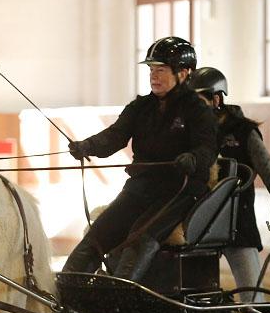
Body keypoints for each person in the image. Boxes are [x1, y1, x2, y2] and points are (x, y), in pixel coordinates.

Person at [62, 36, 217, 282]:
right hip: (139, 188)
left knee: (140, 236)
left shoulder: (198, 110)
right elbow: (114, 136)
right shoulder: (140, 107)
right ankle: (65, 291)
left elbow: (207, 149)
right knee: (98, 233)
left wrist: (194, 159)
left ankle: (120, 298)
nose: (153, 76)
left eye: (161, 70)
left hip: (179, 191)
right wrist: (87, 146)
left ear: (184, 73)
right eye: (151, 70)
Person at [188, 67, 270, 302]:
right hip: (199, 231)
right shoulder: (190, 133)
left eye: (198, 101)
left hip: (238, 227)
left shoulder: (244, 132)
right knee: (193, 300)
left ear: (216, 99)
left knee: (253, 301)